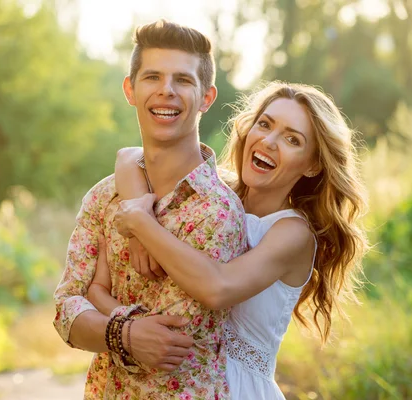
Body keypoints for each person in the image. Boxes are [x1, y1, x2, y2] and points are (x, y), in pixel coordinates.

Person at [88, 81, 369, 399]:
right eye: (265, 124)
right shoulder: (216, 192)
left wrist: (140, 223)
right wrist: (141, 232)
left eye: (292, 139)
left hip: (236, 387)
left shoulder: (293, 233)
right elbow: (129, 158)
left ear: (313, 164)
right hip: (168, 379)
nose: (269, 141)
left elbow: (217, 288)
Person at [52, 20, 248, 399]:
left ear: (206, 97)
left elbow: (172, 340)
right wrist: (124, 333)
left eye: (183, 80)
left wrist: (101, 302)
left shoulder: (217, 210)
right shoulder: (105, 196)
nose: (166, 91)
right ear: (130, 88)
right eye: (152, 77)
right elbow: (65, 309)